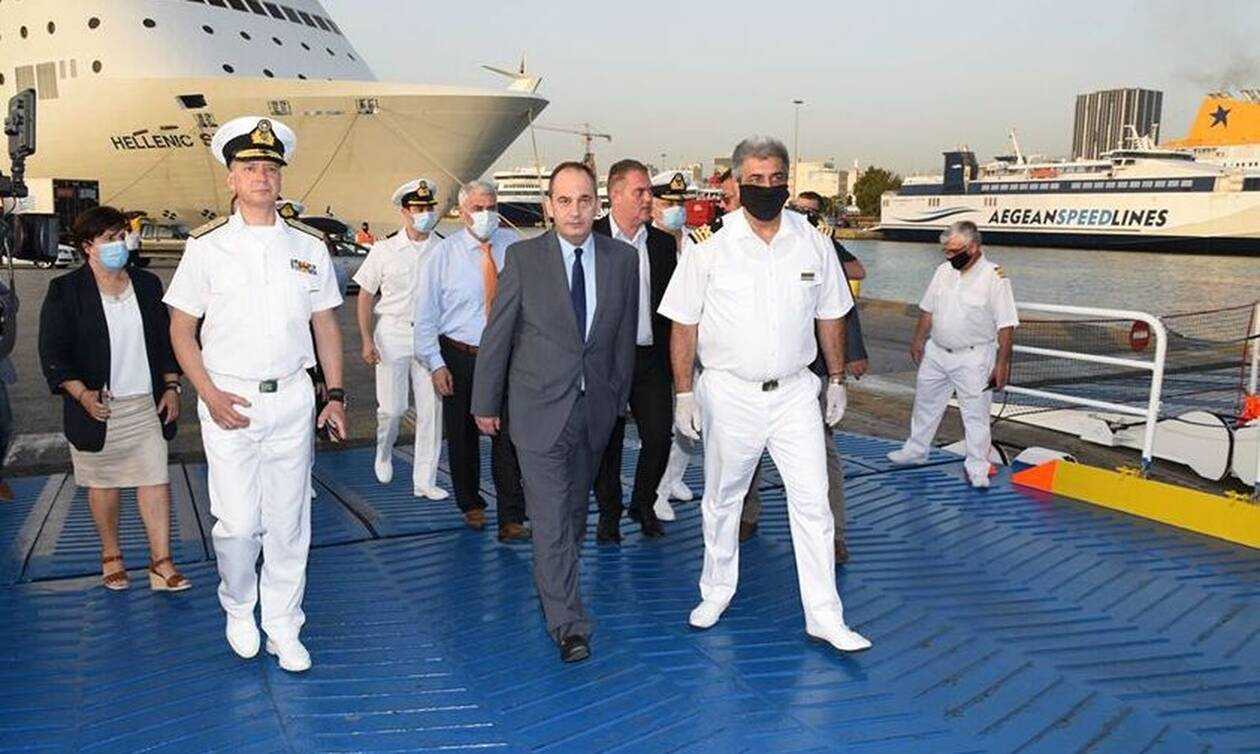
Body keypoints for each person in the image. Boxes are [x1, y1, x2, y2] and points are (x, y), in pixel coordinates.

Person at [658, 136, 870, 653]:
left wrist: (836, 379)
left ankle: (824, 616)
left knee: (814, 503)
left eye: (776, 178)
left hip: (796, 393)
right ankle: (716, 592)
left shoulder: (813, 239)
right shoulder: (709, 243)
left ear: (787, 181)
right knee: (723, 499)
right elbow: (684, 324)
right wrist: (684, 393)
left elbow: (831, 313)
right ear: (737, 182)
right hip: (730, 393)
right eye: (755, 179)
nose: (767, 187)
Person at [165, 116, 346, 673]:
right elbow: (181, 329)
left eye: (270, 167)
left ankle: (284, 625)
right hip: (230, 400)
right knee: (239, 525)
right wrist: (208, 394)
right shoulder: (207, 247)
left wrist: (335, 395)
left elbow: (326, 324)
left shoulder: (309, 246)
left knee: (290, 524)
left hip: (291, 398)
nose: (261, 176)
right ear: (231, 179)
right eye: (249, 168)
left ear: (280, 177)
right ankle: (239, 604)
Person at [472, 162, 638, 664]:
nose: (575, 211)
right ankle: (568, 624)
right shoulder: (523, 259)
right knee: (550, 520)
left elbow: (622, 338)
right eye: (564, 201)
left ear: (597, 204)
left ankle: (557, 583)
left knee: (573, 515)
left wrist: (617, 400)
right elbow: (498, 336)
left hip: (595, 413)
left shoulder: (622, 260)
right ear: (548, 207)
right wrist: (485, 403)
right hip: (537, 412)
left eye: (584, 200)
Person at [38, 205, 188, 592]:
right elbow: (54, 353)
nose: (120, 244)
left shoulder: (148, 285)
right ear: (87, 246)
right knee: (103, 484)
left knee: (155, 480)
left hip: (145, 405)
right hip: (97, 408)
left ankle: (161, 563)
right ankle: (111, 555)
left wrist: (172, 386)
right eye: (109, 239)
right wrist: (82, 395)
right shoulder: (65, 291)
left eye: (122, 236)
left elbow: (166, 342)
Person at [737, 193, 872, 563]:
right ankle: (745, 515)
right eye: (799, 210)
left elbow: (840, 307)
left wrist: (845, 366)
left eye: (811, 212)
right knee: (747, 449)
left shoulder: (821, 242)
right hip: (757, 370)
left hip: (809, 373)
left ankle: (834, 534)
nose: (804, 216)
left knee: (822, 454)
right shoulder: (745, 240)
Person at [414, 180, 529, 541]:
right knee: (462, 436)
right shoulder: (442, 256)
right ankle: (471, 503)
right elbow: (425, 316)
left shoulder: (516, 249)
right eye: (478, 209)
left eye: (491, 208)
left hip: (507, 356)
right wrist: (436, 364)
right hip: (460, 355)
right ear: (462, 213)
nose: (486, 215)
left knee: (510, 435)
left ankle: (512, 516)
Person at [887, 221, 1018, 488]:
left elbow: (1006, 324)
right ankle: (916, 450)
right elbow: (928, 309)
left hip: (973, 357)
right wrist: (918, 339)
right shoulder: (943, 271)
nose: (949, 256)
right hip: (937, 352)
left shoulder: (994, 277)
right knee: (925, 404)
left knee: (975, 414)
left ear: (973, 247)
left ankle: (977, 466)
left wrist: (1002, 364)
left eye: (954, 251)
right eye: (945, 250)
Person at [590, 162, 678, 542]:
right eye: (639, 192)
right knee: (605, 443)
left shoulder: (662, 245)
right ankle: (608, 514)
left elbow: (671, 308)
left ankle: (643, 503)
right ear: (615, 194)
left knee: (659, 438)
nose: (648, 199)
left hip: (649, 359)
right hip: (604, 361)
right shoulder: (590, 238)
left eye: (649, 192)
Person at [652, 169, 740, 510]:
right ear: (653, 204)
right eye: (668, 204)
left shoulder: (700, 240)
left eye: (680, 203)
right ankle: (656, 492)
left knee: (693, 419)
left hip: (700, 345)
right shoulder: (642, 242)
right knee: (661, 423)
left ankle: (673, 478)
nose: (676, 210)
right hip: (660, 343)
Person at [354, 178, 447, 499]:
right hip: (392, 332)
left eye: (429, 208)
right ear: (405, 212)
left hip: (430, 335)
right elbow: (365, 295)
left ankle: (425, 480)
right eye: (419, 208)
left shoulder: (443, 248)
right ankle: (383, 452)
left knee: (431, 412)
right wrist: (366, 339)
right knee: (393, 409)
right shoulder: (384, 250)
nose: (425, 214)